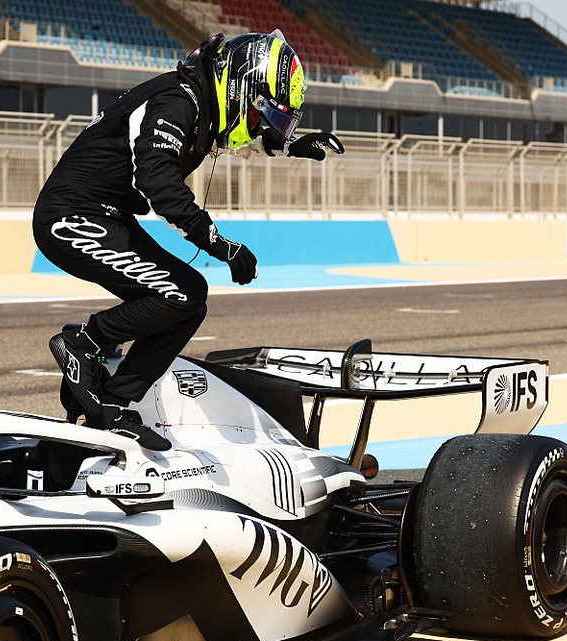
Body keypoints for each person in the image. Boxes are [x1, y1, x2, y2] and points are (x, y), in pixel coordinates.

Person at [34, 31, 344, 449]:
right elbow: (156, 180)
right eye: (261, 114)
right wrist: (218, 243)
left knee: (190, 297)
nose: (258, 125)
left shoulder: (199, 103)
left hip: (104, 215)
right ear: (240, 87)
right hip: (71, 219)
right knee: (178, 295)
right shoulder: (177, 101)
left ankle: (111, 402)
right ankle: (83, 343)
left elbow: (236, 140)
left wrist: (288, 144)